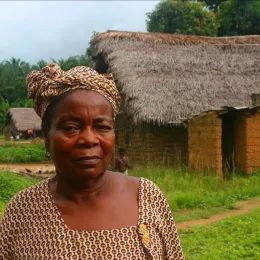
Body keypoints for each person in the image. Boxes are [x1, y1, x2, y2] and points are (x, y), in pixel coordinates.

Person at [0, 63, 184, 259]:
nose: (89, 139)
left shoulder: (147, 197)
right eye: (71, 127)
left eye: (102, 127)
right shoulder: (21, 212)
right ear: (47, 138)